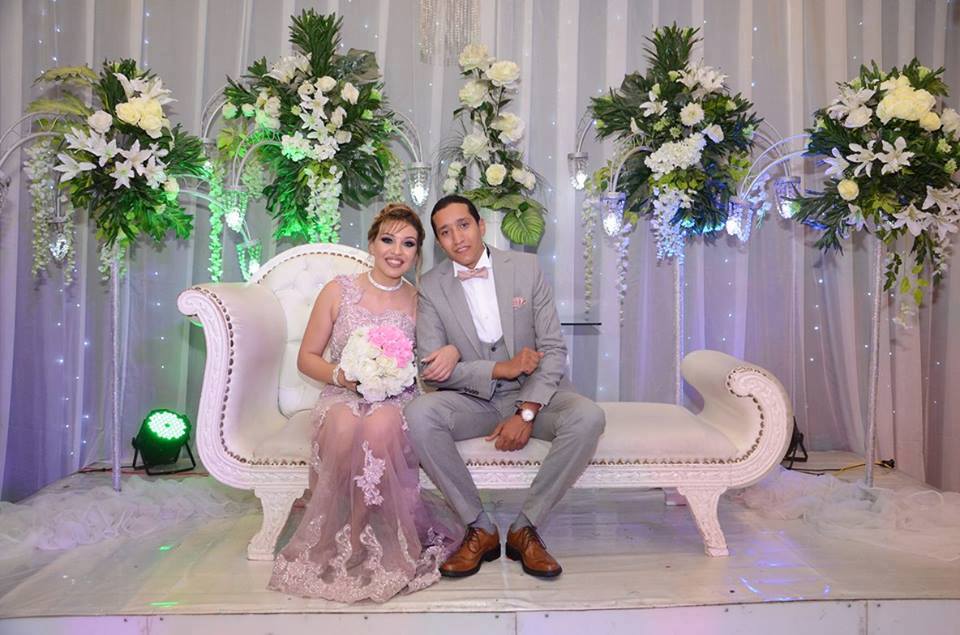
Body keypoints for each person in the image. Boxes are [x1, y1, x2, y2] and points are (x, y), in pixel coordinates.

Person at [269, 203, 463, 603]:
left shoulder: (419, 301)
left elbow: (436, 355)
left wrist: (452, 352)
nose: (397, 251)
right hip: (342, 390)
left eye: (408, 244)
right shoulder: (338, 290)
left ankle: (376, 542)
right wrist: (342, 375)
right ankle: (340, 539)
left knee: (380, 427)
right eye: (388, 240)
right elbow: (307, 358)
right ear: (372, 244)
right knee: (343, 425)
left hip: (396, 396)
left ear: (417, 253)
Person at [405, 194, 605, 579]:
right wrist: (499, 368)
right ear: (439, 243)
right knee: (419, 414)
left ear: (481, 226)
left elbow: (552, 349)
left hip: (534, 395)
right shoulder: (430, 286)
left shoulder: (526, 268)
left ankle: (525, 528)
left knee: (588, 417)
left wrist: (526, 411)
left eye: (464, 225)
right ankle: (478, 527)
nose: (457, 238)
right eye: (445, 232)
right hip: (472, 401)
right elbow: (432, 372)